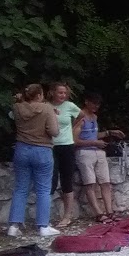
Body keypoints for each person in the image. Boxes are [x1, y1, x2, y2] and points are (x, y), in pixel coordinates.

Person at [8, 84, 61, 238]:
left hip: (22, 149)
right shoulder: (47, 109)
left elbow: (12, 114)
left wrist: (20, 99)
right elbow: (54, 131)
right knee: (43, 189)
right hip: (42, 150)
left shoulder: (17, 108)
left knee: (20, 188)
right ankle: (43, 226)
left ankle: (13, 225)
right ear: (39, 95)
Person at [74, 92, 123, 222]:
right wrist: (94, 143)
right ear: (86, 102)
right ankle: (99, 213)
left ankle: (110, 211)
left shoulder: (94, 117)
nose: (96, 106)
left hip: (97, 150)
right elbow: (74, 140)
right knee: (90, 183)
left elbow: (93, 135)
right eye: (94, 103)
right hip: (84, 152)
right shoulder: (80, 118)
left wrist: (109, 132)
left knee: (105, 182)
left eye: (98, 104)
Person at [47, 81, 81, 227]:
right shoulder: (47, 106)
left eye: (64, 93)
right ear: (53, 92)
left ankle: (67, 216)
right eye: (60, 92)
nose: (62, 95)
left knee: (67, 180)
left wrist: (73, 129)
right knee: (51, 181)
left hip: (67, 145)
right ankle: (45, 217)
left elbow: (81, 116)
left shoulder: (70, 106)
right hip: (51, 146)